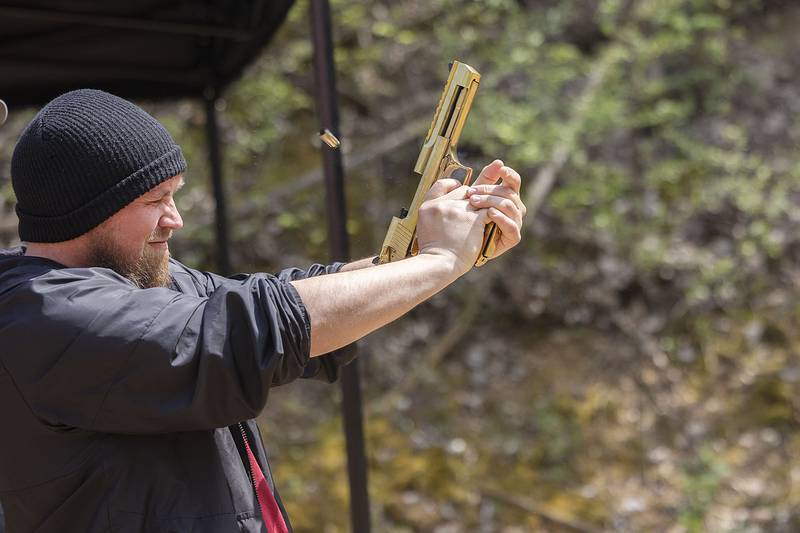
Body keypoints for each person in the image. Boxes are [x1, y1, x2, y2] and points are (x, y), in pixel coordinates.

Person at [0, 89, 526, 532]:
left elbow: (283, 294)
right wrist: (438, 262)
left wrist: (418, 256)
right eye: (155, 200)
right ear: (93, 210)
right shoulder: (45, 317)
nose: (175, 219)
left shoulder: (129, 283)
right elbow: (248, 332)